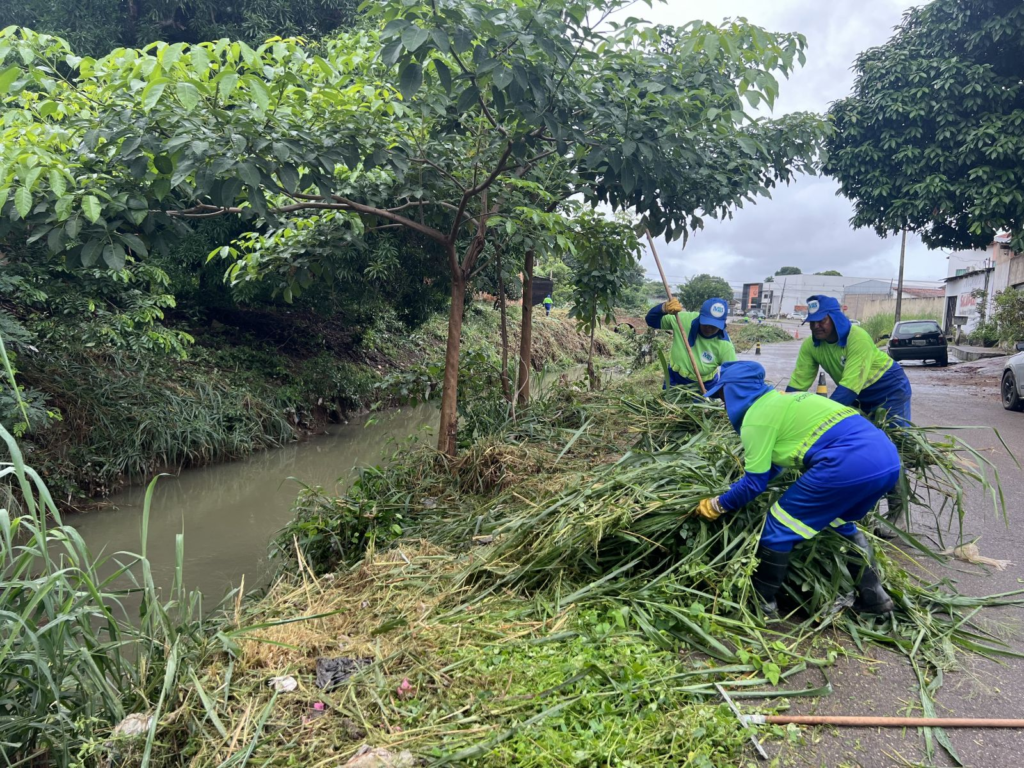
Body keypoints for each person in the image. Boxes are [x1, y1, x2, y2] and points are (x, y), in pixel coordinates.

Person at [696, 361, 899, 617]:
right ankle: (875, 599)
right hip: (886, 460)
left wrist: (718, 504)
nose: (722, 404)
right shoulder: (784, 400)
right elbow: (775, 467)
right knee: (840, 523)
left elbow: (754, 483)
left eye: (722, 395)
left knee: (778, 527)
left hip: (847, 463)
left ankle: (762, 605)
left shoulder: (756, 418)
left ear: (735, 391)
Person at [786, 295, 912, 534]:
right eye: (811, 322)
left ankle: (898, 516)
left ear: (836, 318)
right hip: (856, 393)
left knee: (893, 448)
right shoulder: (812, 346)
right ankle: (857, 507)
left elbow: (847, 390)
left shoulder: (857, 339)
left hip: (888, 389)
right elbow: (797, 385)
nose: (815, 327)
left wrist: (820, 423)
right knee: (854, 447)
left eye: (821, 321)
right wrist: (783, 412)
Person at [645, 297, 737, 388]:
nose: (709, 328)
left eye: (714, 326)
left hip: (703, 385)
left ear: (723, 324)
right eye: (706, 323)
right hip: (674, 378)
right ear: (700, 316)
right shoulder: (683, 320)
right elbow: (651, 321)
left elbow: (732, 378)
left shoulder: (725, 346)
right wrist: (663, 308)